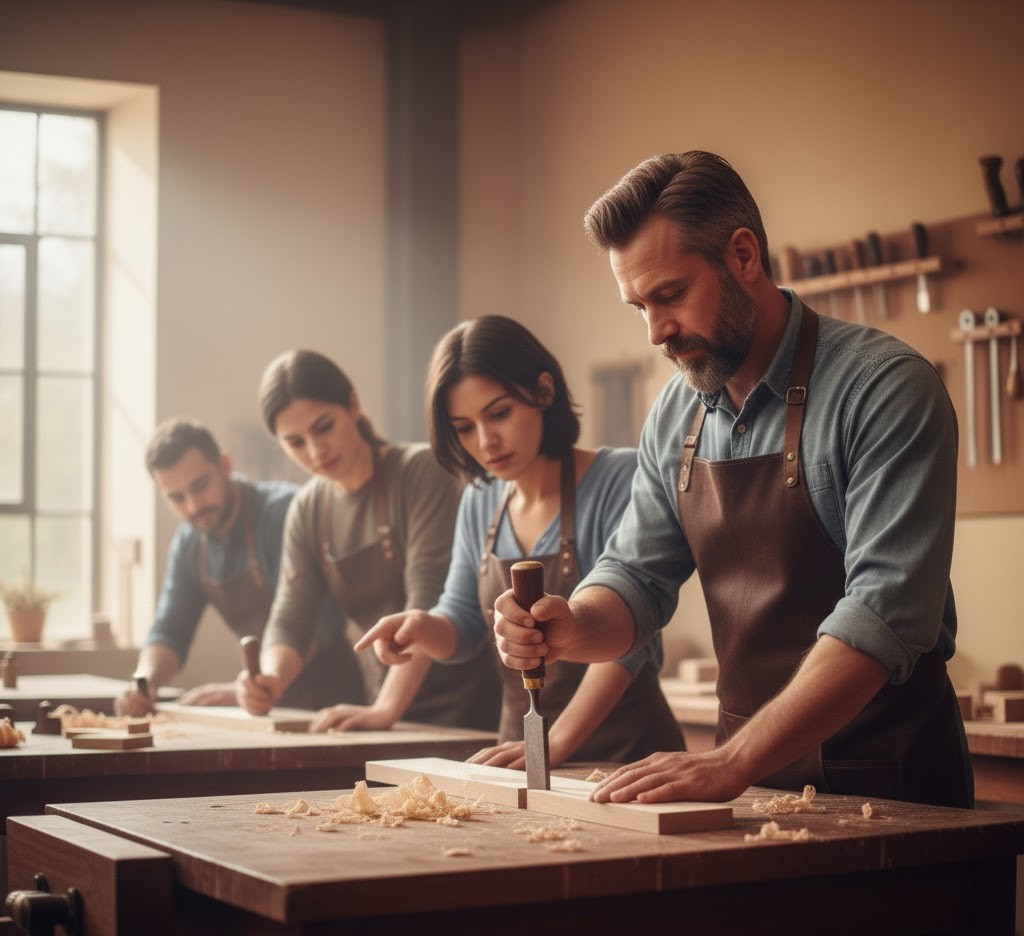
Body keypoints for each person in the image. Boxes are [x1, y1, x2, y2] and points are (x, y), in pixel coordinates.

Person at [492, 151, 973, 809]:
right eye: (638, 305)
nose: (657, 331)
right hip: (748, 793)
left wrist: (731, 762)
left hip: (890, 784)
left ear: (743, 256)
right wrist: (571, 625)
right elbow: (635, 577)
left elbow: (886, 613)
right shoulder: (676, 410)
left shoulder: (885, 389)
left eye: (670, 295)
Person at [356, 316, 684, 767]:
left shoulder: (619, 479)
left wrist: (555, 743)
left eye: (499, 413)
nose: (486, 441)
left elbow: (632, 639)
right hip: (522, 748)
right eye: (464, 427)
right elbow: (465, 625)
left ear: (545, 392)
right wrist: (421, 627)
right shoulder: (479, 500)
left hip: (627, 758)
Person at [236, 349, 501, 732]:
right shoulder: (308, 509)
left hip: (467, 707)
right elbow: (292, 618)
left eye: (323, 427)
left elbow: (426, 601)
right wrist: (271, 680)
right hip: (389, 707)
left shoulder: (421, 471)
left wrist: (386, 708)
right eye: (295, 442)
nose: (315, 451)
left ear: (353, 404)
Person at [116, 418, 365, 716]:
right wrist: (143, 683)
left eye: (200, 486)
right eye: (176, 497)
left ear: (224, 465)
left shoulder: (285, 512)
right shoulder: (188, 545)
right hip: (262, 703)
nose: (193, 506)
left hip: (330, 698)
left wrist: (246, 690)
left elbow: (310, 622)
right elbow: (170, 631)